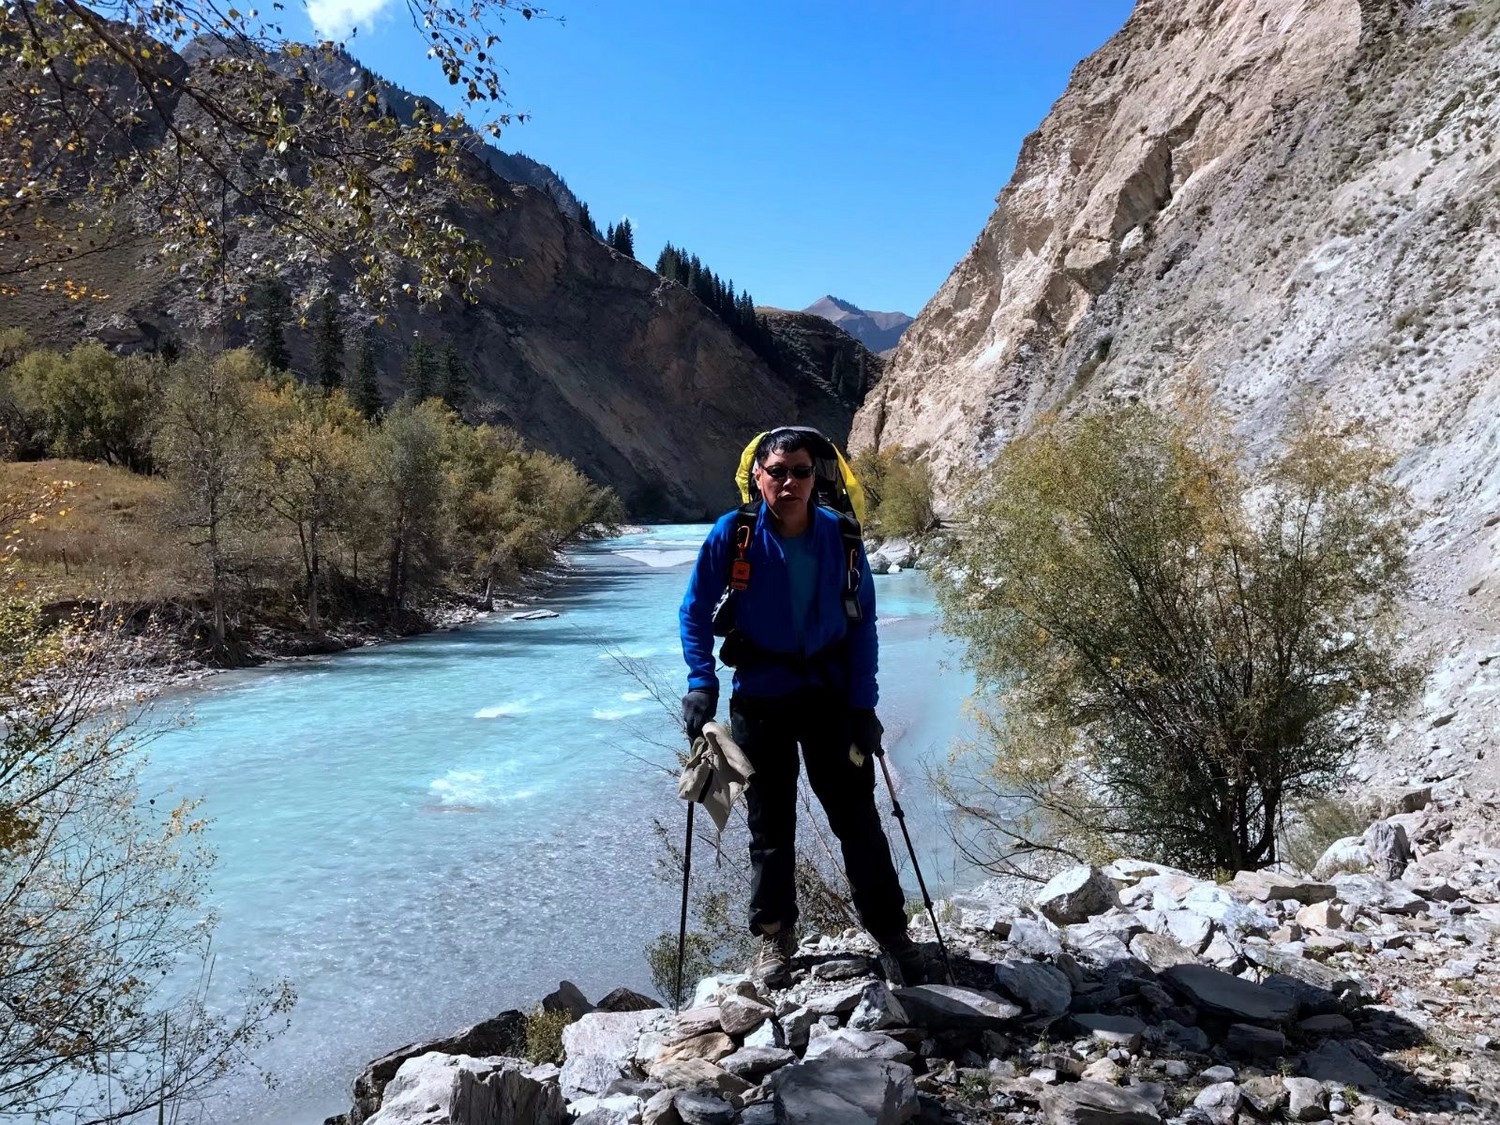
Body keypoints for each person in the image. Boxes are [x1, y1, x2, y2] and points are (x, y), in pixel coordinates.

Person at [678, 426, 925, 988]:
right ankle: (774, 937)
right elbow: (694, 611)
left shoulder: (843, 536)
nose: (789, 482)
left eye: (801, 471)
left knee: (857, 820)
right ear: (757, 476)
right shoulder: (734, 534)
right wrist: (701, 683)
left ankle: (892, 934)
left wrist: (863, 704)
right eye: (777, 472)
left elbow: (863, 626)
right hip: (760, 699)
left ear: (817, 478)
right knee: (769, 825)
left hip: (831, 699)